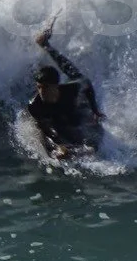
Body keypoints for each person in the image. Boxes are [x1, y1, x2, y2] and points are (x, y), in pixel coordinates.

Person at [26, 25, 103, 160]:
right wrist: (59, 145)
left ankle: (45, 44)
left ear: (56, 87)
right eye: (39, 87)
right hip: (55, 111)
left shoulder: (72, 90)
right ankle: (44, 44)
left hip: (74, 86)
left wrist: (95, 110)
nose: (41, 92)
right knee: (56, 125)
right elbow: (46, 128)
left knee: (71, 71)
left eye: (45, 88)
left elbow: (87, 84)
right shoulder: (34, 105)